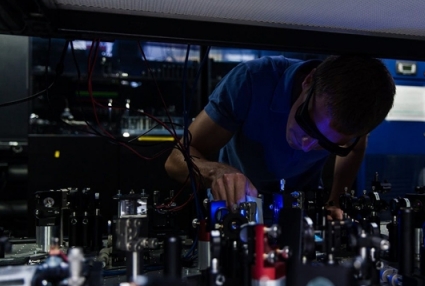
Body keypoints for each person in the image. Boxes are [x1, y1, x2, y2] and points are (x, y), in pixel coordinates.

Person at [164, 54, 396, 219]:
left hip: (300, 215)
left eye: (326, 144)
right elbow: (175, 160)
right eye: (308, 125)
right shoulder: (252, 81)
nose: (306, 145)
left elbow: (357, 147)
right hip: (235, 212)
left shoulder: (356, 120)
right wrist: (216, 173)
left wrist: (335, 201)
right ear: (308, 81)